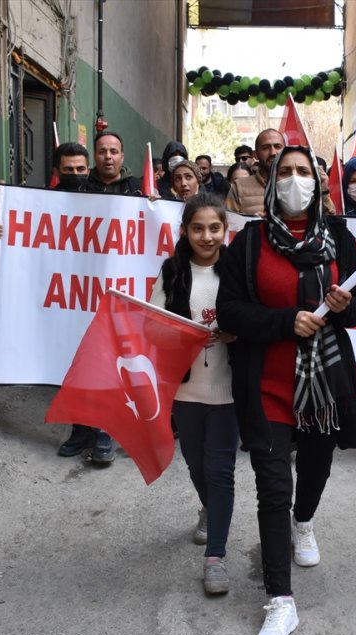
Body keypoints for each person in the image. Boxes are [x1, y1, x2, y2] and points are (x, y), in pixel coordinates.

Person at [216, 145, 356, 635]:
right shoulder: (249, 242)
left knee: (316, 470)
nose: (295, 180)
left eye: (304, 171)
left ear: (318, 184)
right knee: (272, 487)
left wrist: (343, 307)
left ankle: (304, 522)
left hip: (323, 385)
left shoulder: (339, 237)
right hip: (267, 384)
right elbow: (230, 310)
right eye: (286, 171)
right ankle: (280, 600)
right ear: (272, 180)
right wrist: (286, 321)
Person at [0, 142, 118, 464]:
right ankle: (80, 429)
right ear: (57, 171)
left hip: (97, 298)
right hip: (65, 301)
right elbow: (24, 235)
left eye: (81, 169)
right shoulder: (42, 205)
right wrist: (1, 232)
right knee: (68, 364)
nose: (75, 174)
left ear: (89, 169)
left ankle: (103, 431)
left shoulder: (110, 201)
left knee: (99, 364)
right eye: (68, 170)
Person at [148, 192, 238, 595]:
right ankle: (208, 508)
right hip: (184, 391)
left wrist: (237, 333)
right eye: (198, 228)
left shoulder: (237, 270)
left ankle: (215, 557)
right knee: (196, 465)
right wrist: (181, 335)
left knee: (220, 471)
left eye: (214, 228)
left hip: (229, 392)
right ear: (184, 231)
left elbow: (255, 319)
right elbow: (151, 326)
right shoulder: (171, 271)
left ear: (225, 230)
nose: (207, 236)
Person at [224, 129, 284, 215]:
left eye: (277, 147)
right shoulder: (238, 187)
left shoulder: (297, 183)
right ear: (255, 154)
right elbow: (230, 220)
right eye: (265, 148)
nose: (273, 153)